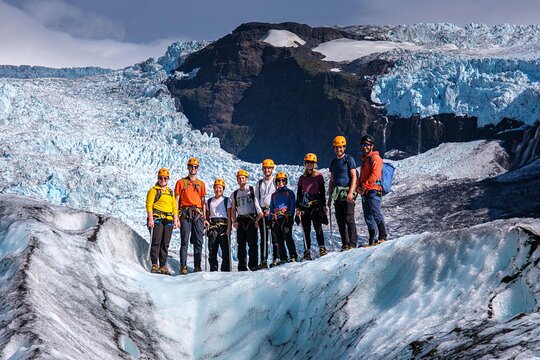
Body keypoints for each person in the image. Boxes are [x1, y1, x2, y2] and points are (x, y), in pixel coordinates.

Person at [175, 158, 207, 275]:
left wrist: (204, 218)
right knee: (184, 241)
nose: (193, 168)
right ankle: (183, 266)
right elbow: (176, 200)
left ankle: (197, 266)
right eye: (191, 166)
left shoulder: (201, 184)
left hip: (198, 214)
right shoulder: (181, 182)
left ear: (197, 169)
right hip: (185, 213)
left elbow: (203, 202)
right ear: (188, 167)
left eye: (195, 167)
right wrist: (176, 217)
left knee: (198, 241)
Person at [146, 168, 180, 275]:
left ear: (168, 179)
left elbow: (174, 207)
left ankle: (163, 265)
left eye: (165, 178)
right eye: (161, 178)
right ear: (158, 178)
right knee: (156, 242)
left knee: (165, 244)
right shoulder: (153, 190)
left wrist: (176, 219)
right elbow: (149, 205)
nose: (163, 180)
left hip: (168, 220)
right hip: (157, 219)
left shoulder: (170, 192)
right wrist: (150, 218)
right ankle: (155, 264)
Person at [327, 135, 358, 251]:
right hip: (337, 194)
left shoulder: (349, 159)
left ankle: (353, 243)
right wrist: (330, 197)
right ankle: (345, 244)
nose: (338, 149)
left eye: (340, 147)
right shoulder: (334, 162)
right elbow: (332, 180)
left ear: (344, 147)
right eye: (336, 147)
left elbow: (354, 176)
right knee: (340, 220)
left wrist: (351, 192)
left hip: (347, 194)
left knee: (349, 218)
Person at [296, 153, 328, 260]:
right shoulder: (302, 178)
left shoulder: (319, 177)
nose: (310, 165)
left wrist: (323, 205)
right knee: (306, 230)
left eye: (312, 163)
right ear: (305, 164)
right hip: (305, 207)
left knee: (318, 228)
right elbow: (299, 194)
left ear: (315, 164)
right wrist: (298, 207)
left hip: (315, 205)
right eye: (308, 163)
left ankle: (322, 248)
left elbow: (322, 192)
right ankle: (307, 251)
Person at [358, 135, 388, 246]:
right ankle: (372, 240)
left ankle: (382, 237)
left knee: (376, 212)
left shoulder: (375, 158)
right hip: (366, 191)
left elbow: (375, 175)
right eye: (363, 145)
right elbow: (362, 177)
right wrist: (358, 187)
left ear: (372, 146)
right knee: (368, 216)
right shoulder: (364, 160)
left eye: (367, 144)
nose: (365, 147)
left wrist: (364, 186)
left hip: (374, 190)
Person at [231, 170, 261, 271]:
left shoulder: (252, 189)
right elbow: (233, 209)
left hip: (251, 219)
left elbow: (257, 204)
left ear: (246, 179)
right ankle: (242, 266)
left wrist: (258, 219)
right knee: (241, 245)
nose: (241, 179)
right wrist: (234, 221)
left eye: (243, 178)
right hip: (240, 220)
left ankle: (253, 264)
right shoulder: (234, 194)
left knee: (253, 244)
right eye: (239, 178)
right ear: (237, 180)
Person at [269, 172, 297, 264]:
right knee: (279, 239)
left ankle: (293, 255)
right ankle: (283, 257)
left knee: (288, 237)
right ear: (276, 182)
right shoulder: (274, 195)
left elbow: (292, 205)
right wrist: (270, 219)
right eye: (278, 180)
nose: (281, 182)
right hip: (277, 219)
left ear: (286, 181)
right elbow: (272, 207)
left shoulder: (289, 193)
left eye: (283, 180)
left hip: (286, 218)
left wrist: (291, 217)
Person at [206, 179, 232, 271]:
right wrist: (207, 223)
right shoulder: (209, 201)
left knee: (225, 250)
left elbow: (229, 216)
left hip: (224, 226)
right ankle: (213, 269)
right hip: (213, 226)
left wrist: (229, 228)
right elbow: (207, 216)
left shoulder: (226, 201)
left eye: (220, 188)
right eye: (216, 188)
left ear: (223, 189)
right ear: (213, 188)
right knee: (212, 249)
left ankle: (225, 270)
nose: (218, 190)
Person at [255, 159, 276, 269]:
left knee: (275, 236)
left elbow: (278, 196)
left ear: (272, 169)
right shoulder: (259, 183)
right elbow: (256, 198)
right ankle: (263, 260)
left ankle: (275, 258)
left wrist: (272, 210)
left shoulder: (276, 181)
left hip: (273, 212)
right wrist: (259, 211)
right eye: (265, 168)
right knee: (263, 237)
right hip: (262, 212)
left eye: (269, 168)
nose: (267, 170)